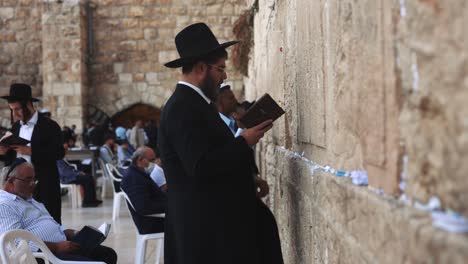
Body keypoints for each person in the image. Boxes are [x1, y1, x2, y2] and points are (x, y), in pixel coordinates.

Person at [158, 23, 283, 264]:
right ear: (201, 68)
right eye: (221, 69)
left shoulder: (197, 104)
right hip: (203, 232)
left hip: (216, 224)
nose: (224, 76)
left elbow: (211, 153)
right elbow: (200, 166)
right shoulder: (182, 108)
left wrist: (248, 177)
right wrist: (243, 142)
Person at [0, 159, 117, 263]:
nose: (33, 184)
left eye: (34, 180)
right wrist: (56, 247)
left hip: (60, 247)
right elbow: (14, 244)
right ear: (10, 181)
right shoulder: (4, 205)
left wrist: (72, 233)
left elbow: (52, 224)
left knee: (108, 254)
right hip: (43, 256)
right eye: (28, 180)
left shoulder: (28, 199)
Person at [0, 83, 64, 224]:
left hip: (44, 184)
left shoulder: (50, 126)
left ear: (28, 105)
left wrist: (31, 151)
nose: (14, 114)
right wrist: (3, 152)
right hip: (17, 189)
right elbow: (12, 157)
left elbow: (59, 153)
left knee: (49, 223)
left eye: (17, 109)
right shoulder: (15, 128)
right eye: (12, 110)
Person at [120, 147, 167, 234]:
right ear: (140, 159)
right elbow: (143, 207)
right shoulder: (133, 178)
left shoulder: (138, 173)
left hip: (156, 217)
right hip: (151, 222)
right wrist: (170, 206)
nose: (154, 162)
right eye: (151, 160)